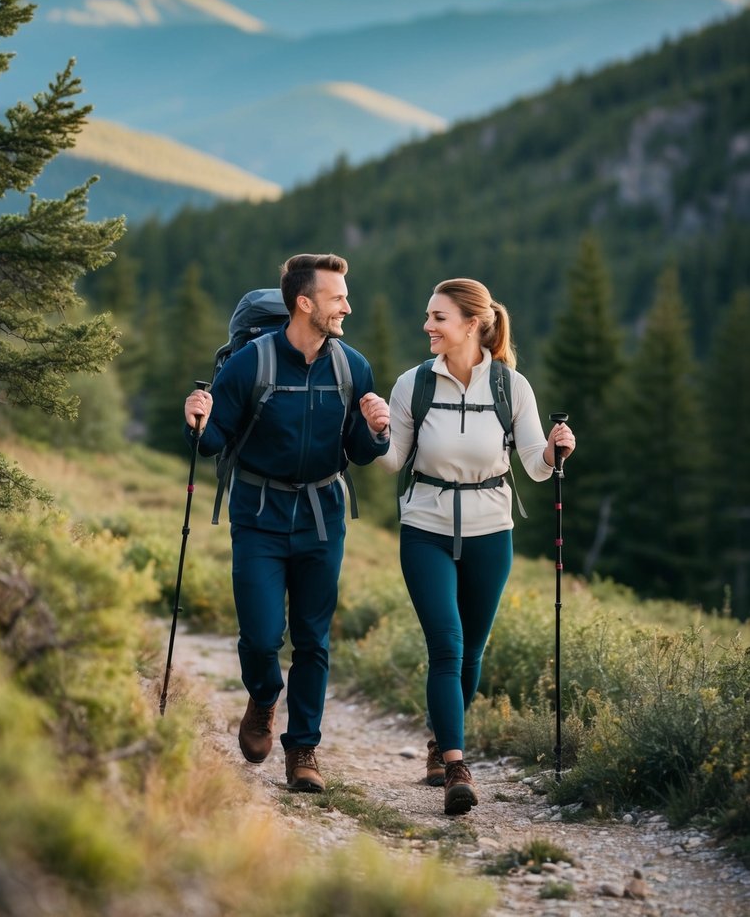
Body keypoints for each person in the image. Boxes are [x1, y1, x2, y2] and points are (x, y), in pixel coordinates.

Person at [363, 277, 575, 816]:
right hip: (425, 527)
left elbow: (532, 464)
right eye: (428, 316)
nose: (427, 326)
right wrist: (378, 431)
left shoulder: (510, 386)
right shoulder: (413, 384)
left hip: (490, 531)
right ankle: (457, 764)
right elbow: (391, 462)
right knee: (447, 645)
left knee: (471, 654)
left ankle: (439, 740)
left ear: (472, 324)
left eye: (438, 317)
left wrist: (554, 450)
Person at [184, 253, 390, 794]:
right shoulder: (250, 364)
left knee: (313, 640)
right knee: (259, 635)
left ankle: (303, 751)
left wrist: (376, 432)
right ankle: (263, 695)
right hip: (258, 513)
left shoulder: (353, 368)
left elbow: (359, 452)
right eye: (337, 296)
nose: (347, 305)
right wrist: (198, 420)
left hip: (324, 517)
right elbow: (212, 443)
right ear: (305, 303)